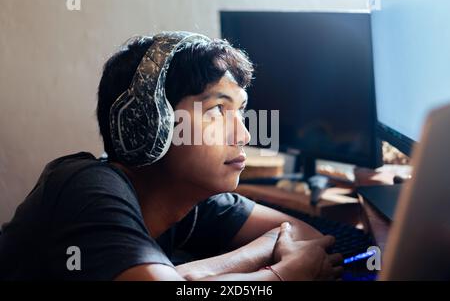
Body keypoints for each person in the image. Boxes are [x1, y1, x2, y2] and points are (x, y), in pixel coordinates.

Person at [0, 32, 343, 280]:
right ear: (150, 123)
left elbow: (307, 239)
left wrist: (186, 277)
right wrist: (280, 276)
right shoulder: (86, 188)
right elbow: (297, 256)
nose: (244, 135)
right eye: (217, 110)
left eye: (240, 112)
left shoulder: (191, 197)